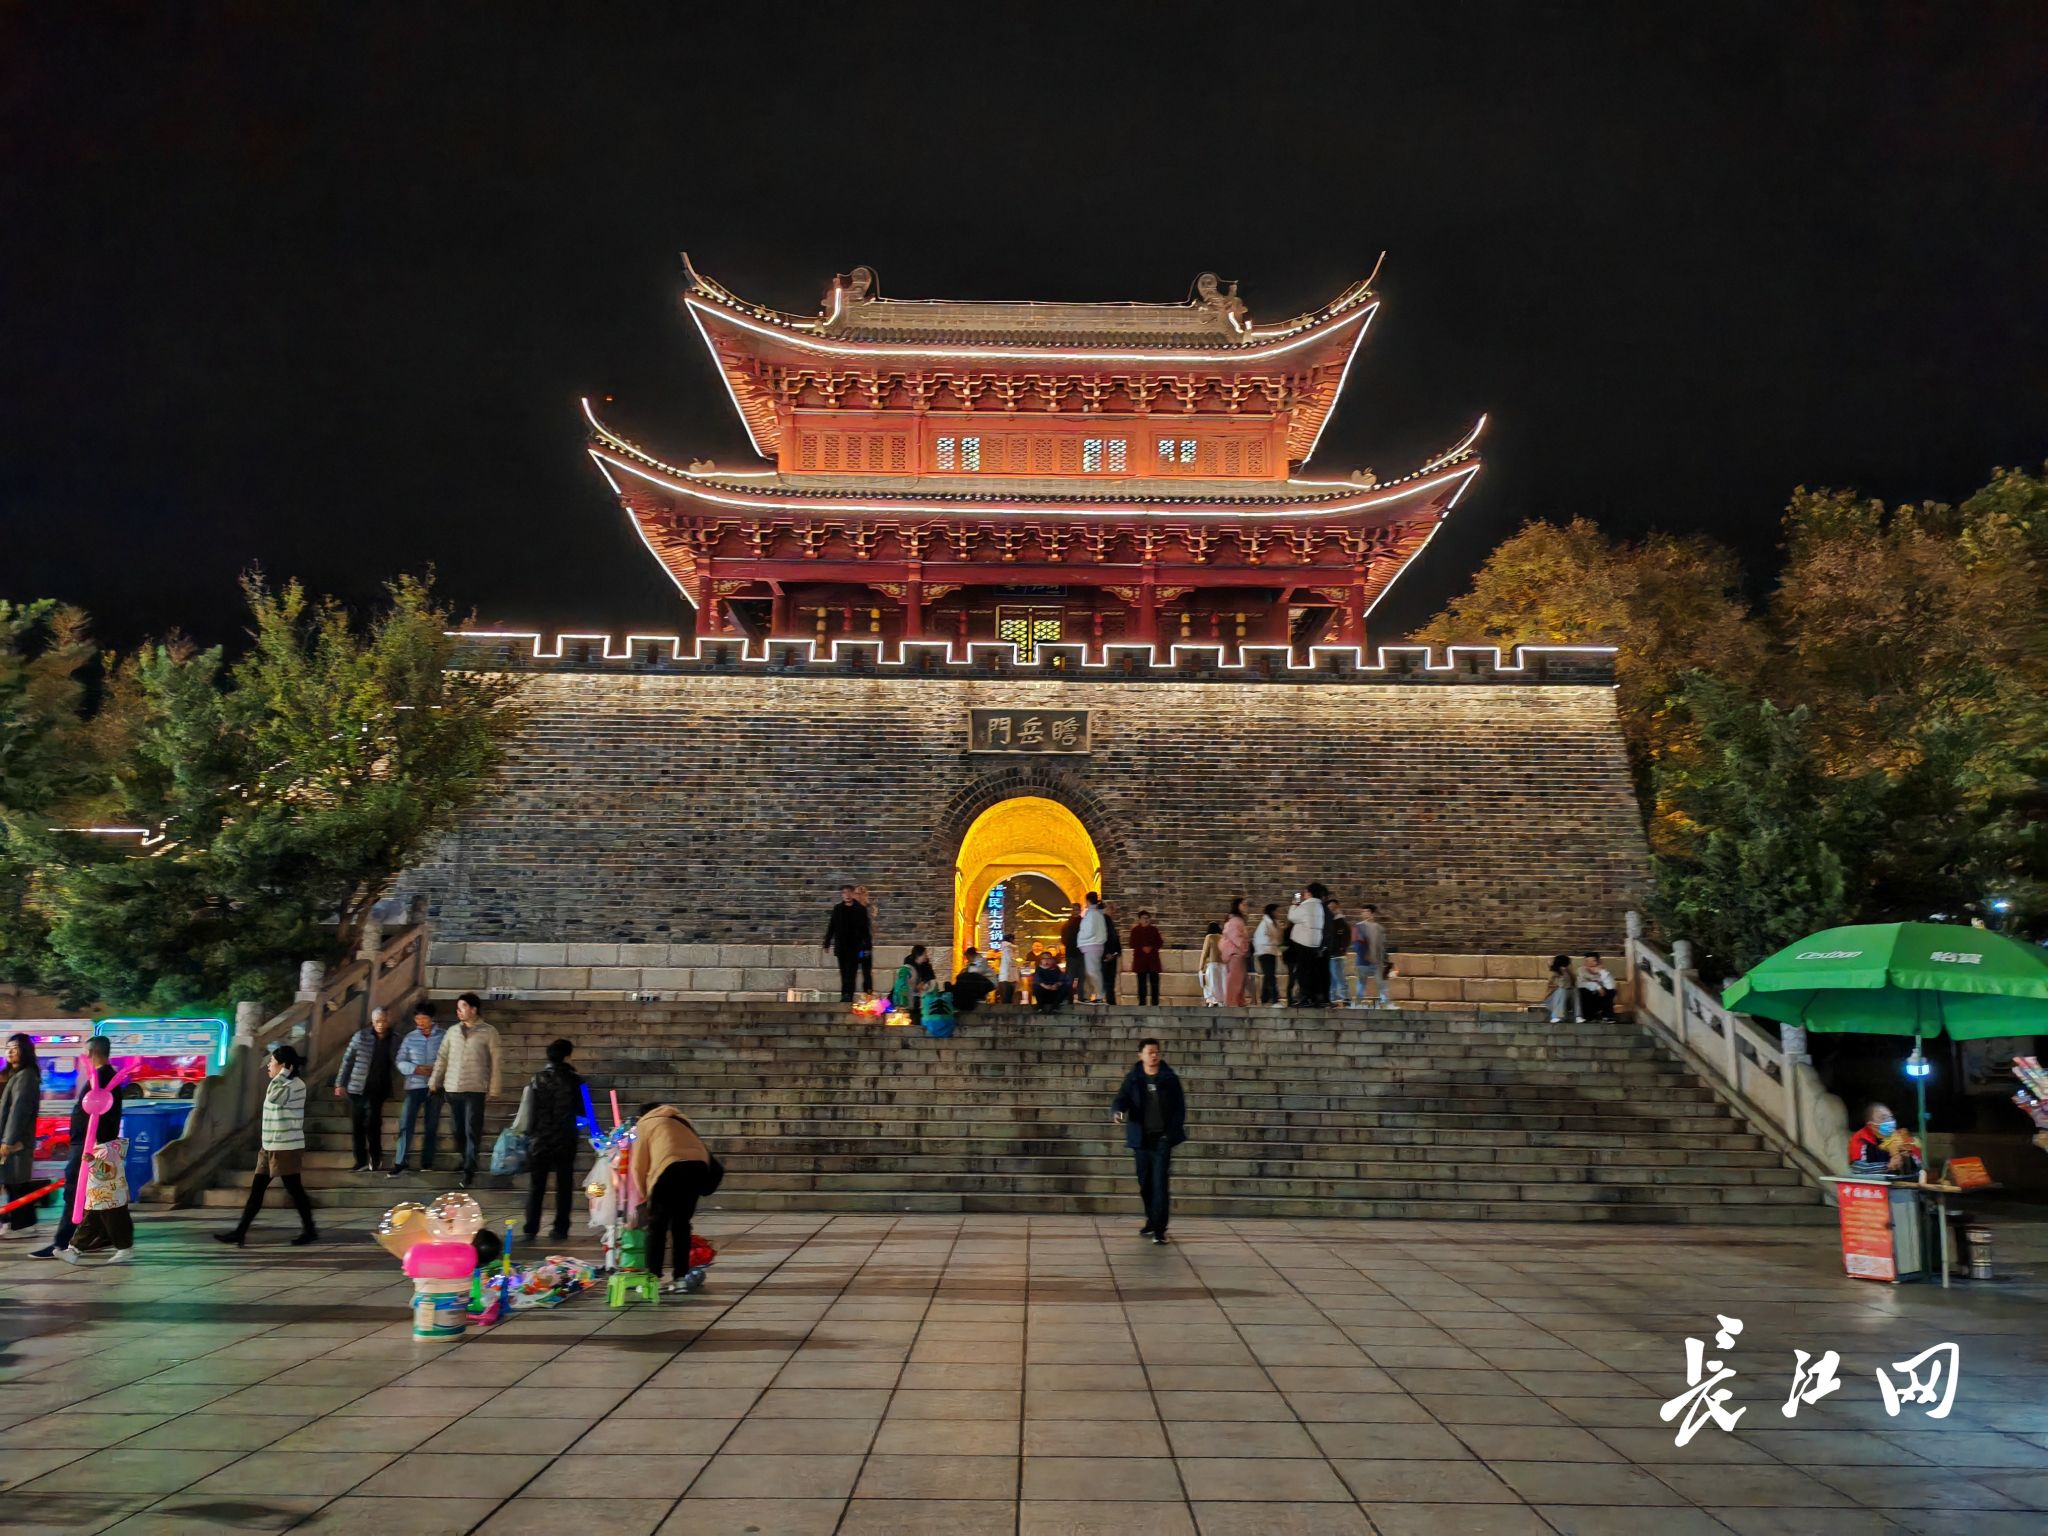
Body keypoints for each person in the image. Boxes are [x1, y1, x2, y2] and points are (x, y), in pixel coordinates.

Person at [29, 1035, 125, 1260]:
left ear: (91, 1053)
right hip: (96, 1145)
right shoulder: (105, 1078)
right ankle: (105, 1237)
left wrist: (88, 1144)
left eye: (84, 1051)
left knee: (76, 1194)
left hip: (89, 1146)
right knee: (100, 1195)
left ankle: (62, 1243)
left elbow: (98, 1115)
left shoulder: (102, 1079)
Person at [216, 1045, 317, 1247]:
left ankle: (310, 1230)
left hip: (286, 1147)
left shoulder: (296, 1085)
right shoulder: (279, 1083)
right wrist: (281, 1075)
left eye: (272, 1062)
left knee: (295, 1190)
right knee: (257, 1190)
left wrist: (283, 1075)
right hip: (269, 1146)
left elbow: (274, 1098)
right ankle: (240, 1232)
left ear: (284, 1066)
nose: (268, 1066)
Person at [629, 1102, 719, 1294]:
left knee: (657, 1227)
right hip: (697, 1169)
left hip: (668, 1170)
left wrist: (645, 1195)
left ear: (642, 1115)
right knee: (681, 1225)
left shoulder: (644, 1124)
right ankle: (680, 1279)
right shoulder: (680, 1120)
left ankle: (653, 1278)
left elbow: (638, 1165)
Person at [1111, 1038, 1187, 1245]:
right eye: (1150, 1052)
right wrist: (1118, 1111)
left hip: (1162, 1139)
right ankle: (1152, 1220)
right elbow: (1122, 1098)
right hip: (1141, 1139)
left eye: (1156, 1052)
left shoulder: (1169, 1078)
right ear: (1141, 1055)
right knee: (1145, 1184)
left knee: (1160, 1184)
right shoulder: (1134, 1078)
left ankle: (1160, 1230)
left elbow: (1179, 1108)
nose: (1154, 1056)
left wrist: (1170, 1133)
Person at [512, 1038, 584, 1244]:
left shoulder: (536, 1079)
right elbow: (584, 1111)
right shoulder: (577, 1081)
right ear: (567, 1056)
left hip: (540, 1139)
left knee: (536, 1186)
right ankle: (560, 1229)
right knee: (564, 1186)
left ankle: (530, 1229)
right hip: (566, 1138)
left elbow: (529, 1109)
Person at [429, 992, 502, 1189]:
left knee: (471, 1129)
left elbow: (495, 1062)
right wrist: (434, 1080)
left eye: (462, 1007)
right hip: (453, 1087)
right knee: (457, 1129)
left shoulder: (489, 1032)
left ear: (473, 1009)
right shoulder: (452, 1032)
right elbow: (442, 1057)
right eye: (458, 1008)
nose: (458, 1011)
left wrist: (494, 1088)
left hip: (475, 1089)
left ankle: (469, 1169)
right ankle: (465, 1158)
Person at [334, 1007, 397, 1172]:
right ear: (372, 1021)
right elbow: (347, 1060)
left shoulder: (395, 1039)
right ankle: (360, 1160)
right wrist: (340, 1083)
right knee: (357, 1126)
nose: (380, 1024)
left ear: (388, 1020)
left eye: (383, 1021)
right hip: (357, 1088)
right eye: (377, 1021)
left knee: (373, 1124)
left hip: (379, 1089)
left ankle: (375, 1158)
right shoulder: (361, 1036)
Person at [389, 1001, 445, 1177]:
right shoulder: (410, 1038)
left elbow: (448, 1058)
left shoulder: (443, 1036)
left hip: (435, 1087)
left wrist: (435, 1070)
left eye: (424, 1018)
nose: (420, 1022)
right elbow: (400, 1061)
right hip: (414, 1086)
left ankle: (427, 1162)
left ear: (432, 1019)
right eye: (417, 1018)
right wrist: (416, 1069)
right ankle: (400, 1162)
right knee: (406, 1123)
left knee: (431, 1125)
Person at [62, 1131, 134, 1265]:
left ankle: (125, 1249)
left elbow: (109, 1173)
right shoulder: (99, 1148)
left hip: (111, 1198)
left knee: (116, 1223)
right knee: (89, 1224)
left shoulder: (107, 1150)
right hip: (97, 1197)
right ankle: (74, 1250)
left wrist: (93, 1162)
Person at [0, 1033, 44, 1239]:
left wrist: (8, 1141)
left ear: (25, 1050)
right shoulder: (17, 1074)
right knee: (12, 1181)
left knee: (17, 1181)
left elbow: (19, 1110)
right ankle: (13, 1223)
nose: (9, 1051)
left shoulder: (25, 1076)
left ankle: (23, 1225)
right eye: (7, 1047)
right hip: (14, 1139)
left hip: (17, 1141)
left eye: (15, 1048)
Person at [823, 884, 874, 1003]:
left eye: (849, 892)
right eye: (844, 893)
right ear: (842, 895)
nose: (847, 895)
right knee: (843, 972)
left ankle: (848, 995)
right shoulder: (838, 909)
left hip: (855, 947)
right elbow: (832, 926)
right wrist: (827, 942)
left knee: (851, 972)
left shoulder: (860, 909)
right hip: (841, 946)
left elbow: (865, 930)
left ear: (853, 894)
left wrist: (867, 946)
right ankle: (844, 995)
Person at [1849, 1104, 1923, 1177]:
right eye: (1883, 1118)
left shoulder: (1899, 1136)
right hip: (1873, 1182)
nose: (1889, 1121)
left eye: (1891, 1118)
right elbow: (1857, 1168)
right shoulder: (1861, 1138)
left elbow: (1920, 1166)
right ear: (1871, 1125)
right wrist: (1887, 1166)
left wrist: (1907, 1159)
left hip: (1899, 1181)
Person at [1287, 885, 1328, 1008]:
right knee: (1312, 972)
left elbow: (1292, 917)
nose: (1303, 894)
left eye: (1305, 892)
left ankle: (1305, 998)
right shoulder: (1319, 907)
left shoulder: (1306, 906)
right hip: (1314, 943)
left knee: (1303, 972)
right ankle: (1314, 998)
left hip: (1303, 943)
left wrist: (1294, 904)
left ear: (1309, 893)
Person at [1352, 904, 1393, 1009]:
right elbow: (1355, 944)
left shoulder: (1379, 928)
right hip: (1363, 961)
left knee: (1381, 984)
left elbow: (1382, 946)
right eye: (1363, 912)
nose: (1364, 914)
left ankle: (1386, 1003)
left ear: (1372, 913)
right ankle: (1358, 1004)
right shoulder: (1358, 927)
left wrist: (1385, 959)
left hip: (1377, 961)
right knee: (1361, 983)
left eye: (1366, 911)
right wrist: (1363, 955)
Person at [1077, 892, 1109, 1003]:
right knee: (1091, 971)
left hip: (1091, 944)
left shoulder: (1091, 914)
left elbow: (1089, 930)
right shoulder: (1096, 914)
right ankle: (1094, 994)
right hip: (1093, 945)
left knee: (1092, 971)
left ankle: (1100, 994)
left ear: (1087, 901)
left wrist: (1080, 937)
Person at [891, 946, 938, 1021]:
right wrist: (902, 1001)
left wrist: (923, 982)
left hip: (921, 1002)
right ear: (918, 956)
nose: (926, 956)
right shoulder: (907, 968)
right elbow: (900, 985)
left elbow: (931, 979)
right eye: (924, 954)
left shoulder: (927, 967)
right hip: (908, 1002)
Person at [1128, 911, 1164, 1007]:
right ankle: (1142, 1003)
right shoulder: (1135, 930)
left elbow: (1159, 943)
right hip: (1140, 960)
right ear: (1140, 920)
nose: (1146, 920)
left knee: (1154, 983)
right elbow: (1132, 943)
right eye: (1144, 918)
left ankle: (1155, 1003)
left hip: (1153, 960)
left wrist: (1151, 947)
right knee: (1141, 984)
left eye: (1147, 918)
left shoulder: (1154, 930)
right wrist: (1142, 947)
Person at [1221, 899, 1250, 1007]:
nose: (1245, 906)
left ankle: (1238, 1000)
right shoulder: (1234, 921)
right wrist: (1243, 947)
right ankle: (1232, 1002)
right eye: (1243, 904)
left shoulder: (1236, 920)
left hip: (1237, 952)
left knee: (1240, 978)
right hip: (1235, 952)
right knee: (1235, 978)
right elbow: (1235, 937)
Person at [1253, 903, 1282, 1007]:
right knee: (1270, 975)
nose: (1278, 913)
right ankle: (1275, 999)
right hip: (1264, 952)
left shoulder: (1274, 923)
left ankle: (1264, 998)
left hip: (1271, 951)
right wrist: (1275, 942)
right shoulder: (1264, 924)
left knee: (1268, 975)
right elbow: (1262, 939)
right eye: (1277, 911)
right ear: (1272, 912)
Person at [1326, 901, 1354, 1006]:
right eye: (1329, 907)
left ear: (1337, 908)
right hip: (1329, 954)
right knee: (1332, 978)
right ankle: (1332, 999)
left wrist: (1342, 949)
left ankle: (1345, 998)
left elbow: (1346, 938)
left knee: (1339, 976)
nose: (1331, 909)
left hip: (1337, 955)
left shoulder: (1341, 922)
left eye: (1333, 907)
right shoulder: (1329, 921)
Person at [854, 884, 880, 994]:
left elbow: (873, 928)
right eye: (857, 894)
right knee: (852, 970)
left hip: (865, 945)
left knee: (866, 970)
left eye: (862, 894)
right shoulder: (852, 908)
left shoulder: (869, 909)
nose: (859, 896)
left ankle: (868, 993)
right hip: (854, 944)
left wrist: (874, 917)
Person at [952, 951, 997, 1015]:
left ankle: (978, 998)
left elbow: (976, 971)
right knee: (963, 980)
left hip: (989, 983)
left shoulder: (981, 960)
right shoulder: (973, 963)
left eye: (967, 957)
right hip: (981, 982)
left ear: (970, 955)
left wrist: (967, 968)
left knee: (968, 978)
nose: (968, 959)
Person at [1579, 954, 1617, 1019]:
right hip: (1588, 996)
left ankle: (1607, 1016)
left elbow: (1611, 986)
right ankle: (1589, 1017)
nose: (1590, 963)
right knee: (1584, 991)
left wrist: (1601, 971)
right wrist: (1597, 987)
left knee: (1610, 991)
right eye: (1587, 961)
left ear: (1598, 961)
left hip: (1601, 996)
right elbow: (1580, 984)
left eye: (1593, 961)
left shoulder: (1603, 970)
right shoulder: (1581, 970)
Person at [1544, 955, 1579, 1024]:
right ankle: (1556, 1016)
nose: (1570, 965)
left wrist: (1568, 972)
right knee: (1561, 990)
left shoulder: (1568, 972)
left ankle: (1578, 1016)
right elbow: (1561, 985)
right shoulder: (1553, 973)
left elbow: (1573, 983)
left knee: (1575, 990)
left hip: (1565, 999)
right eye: (1569, 963)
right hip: (1553, 999)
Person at [1101, 901, 1123, 1006]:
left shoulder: (1109, 921)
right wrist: (1106, 953)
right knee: (1107, 979)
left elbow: (1114, 938)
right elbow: (1103, 938)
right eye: (1111, 909)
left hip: (1112, 955)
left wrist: (1117, 952)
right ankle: (1108, 1000)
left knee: (1111, 980)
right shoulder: (1103, 921)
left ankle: (1111, 1000)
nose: (1113, 911)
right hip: (1106, 956)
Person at [1197, 922, 1225, 1006]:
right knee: (1220, 986)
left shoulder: (1209, 937)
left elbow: (1204, 953)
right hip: (1224, 966)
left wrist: (1200, 967)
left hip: (1213, 965)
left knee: (1210, 985)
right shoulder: (1223, 938)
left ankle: (1211, 1001)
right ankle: (1220, 1002)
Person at [995, 936, 1020, 1005]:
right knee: (1007, 999)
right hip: (1008, 978)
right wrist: (1017, 963)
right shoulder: (1008, 948)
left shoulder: (1006, 948)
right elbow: (1011, 961)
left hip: (1005, 977)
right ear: (1011, 939)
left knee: (1006, 999)